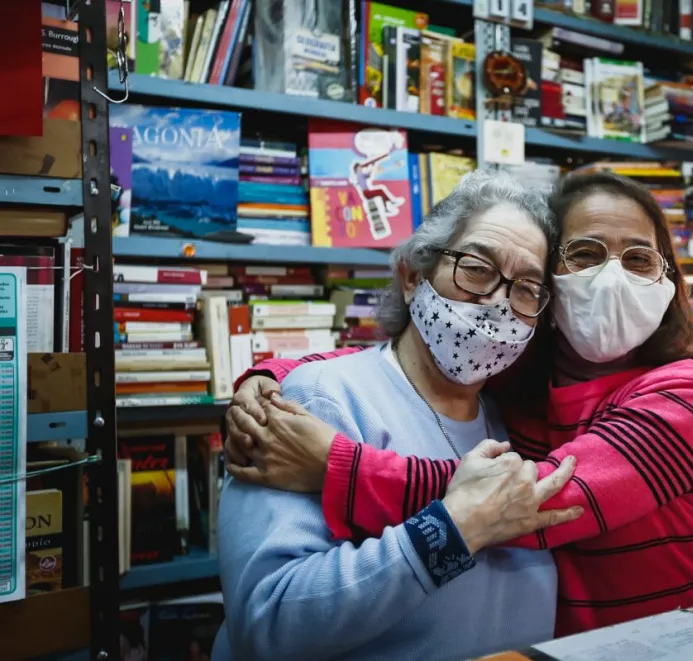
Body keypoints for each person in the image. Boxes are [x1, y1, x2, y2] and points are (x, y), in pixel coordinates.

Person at [226, 171, 693, 639]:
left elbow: (528, 504)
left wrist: (337, 466)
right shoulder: (515, 395)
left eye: (639, 259)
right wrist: (272, 375)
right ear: (413, 275)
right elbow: (395, 365)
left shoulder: (692, 392)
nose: (497, 303)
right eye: (585, 255)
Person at [213, 170, 585, 661]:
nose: (497, 302)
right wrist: (455, 529)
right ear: (413, 276)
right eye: (476, 267)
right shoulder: (317, 403)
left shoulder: (522, 422)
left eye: (526, 288)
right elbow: (268, 623)